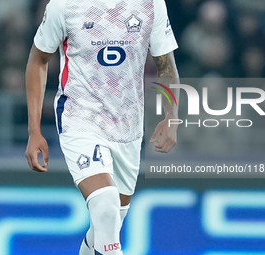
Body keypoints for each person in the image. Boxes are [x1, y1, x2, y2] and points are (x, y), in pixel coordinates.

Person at [25, 0, 180, 254]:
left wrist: (171, 116)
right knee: (106, 206)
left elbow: (166, 65)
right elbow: (38, 59)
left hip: (127, 128)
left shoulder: (151, 5)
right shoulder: (63, 6)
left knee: (105, 227)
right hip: (79, 118)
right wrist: (34, 130)